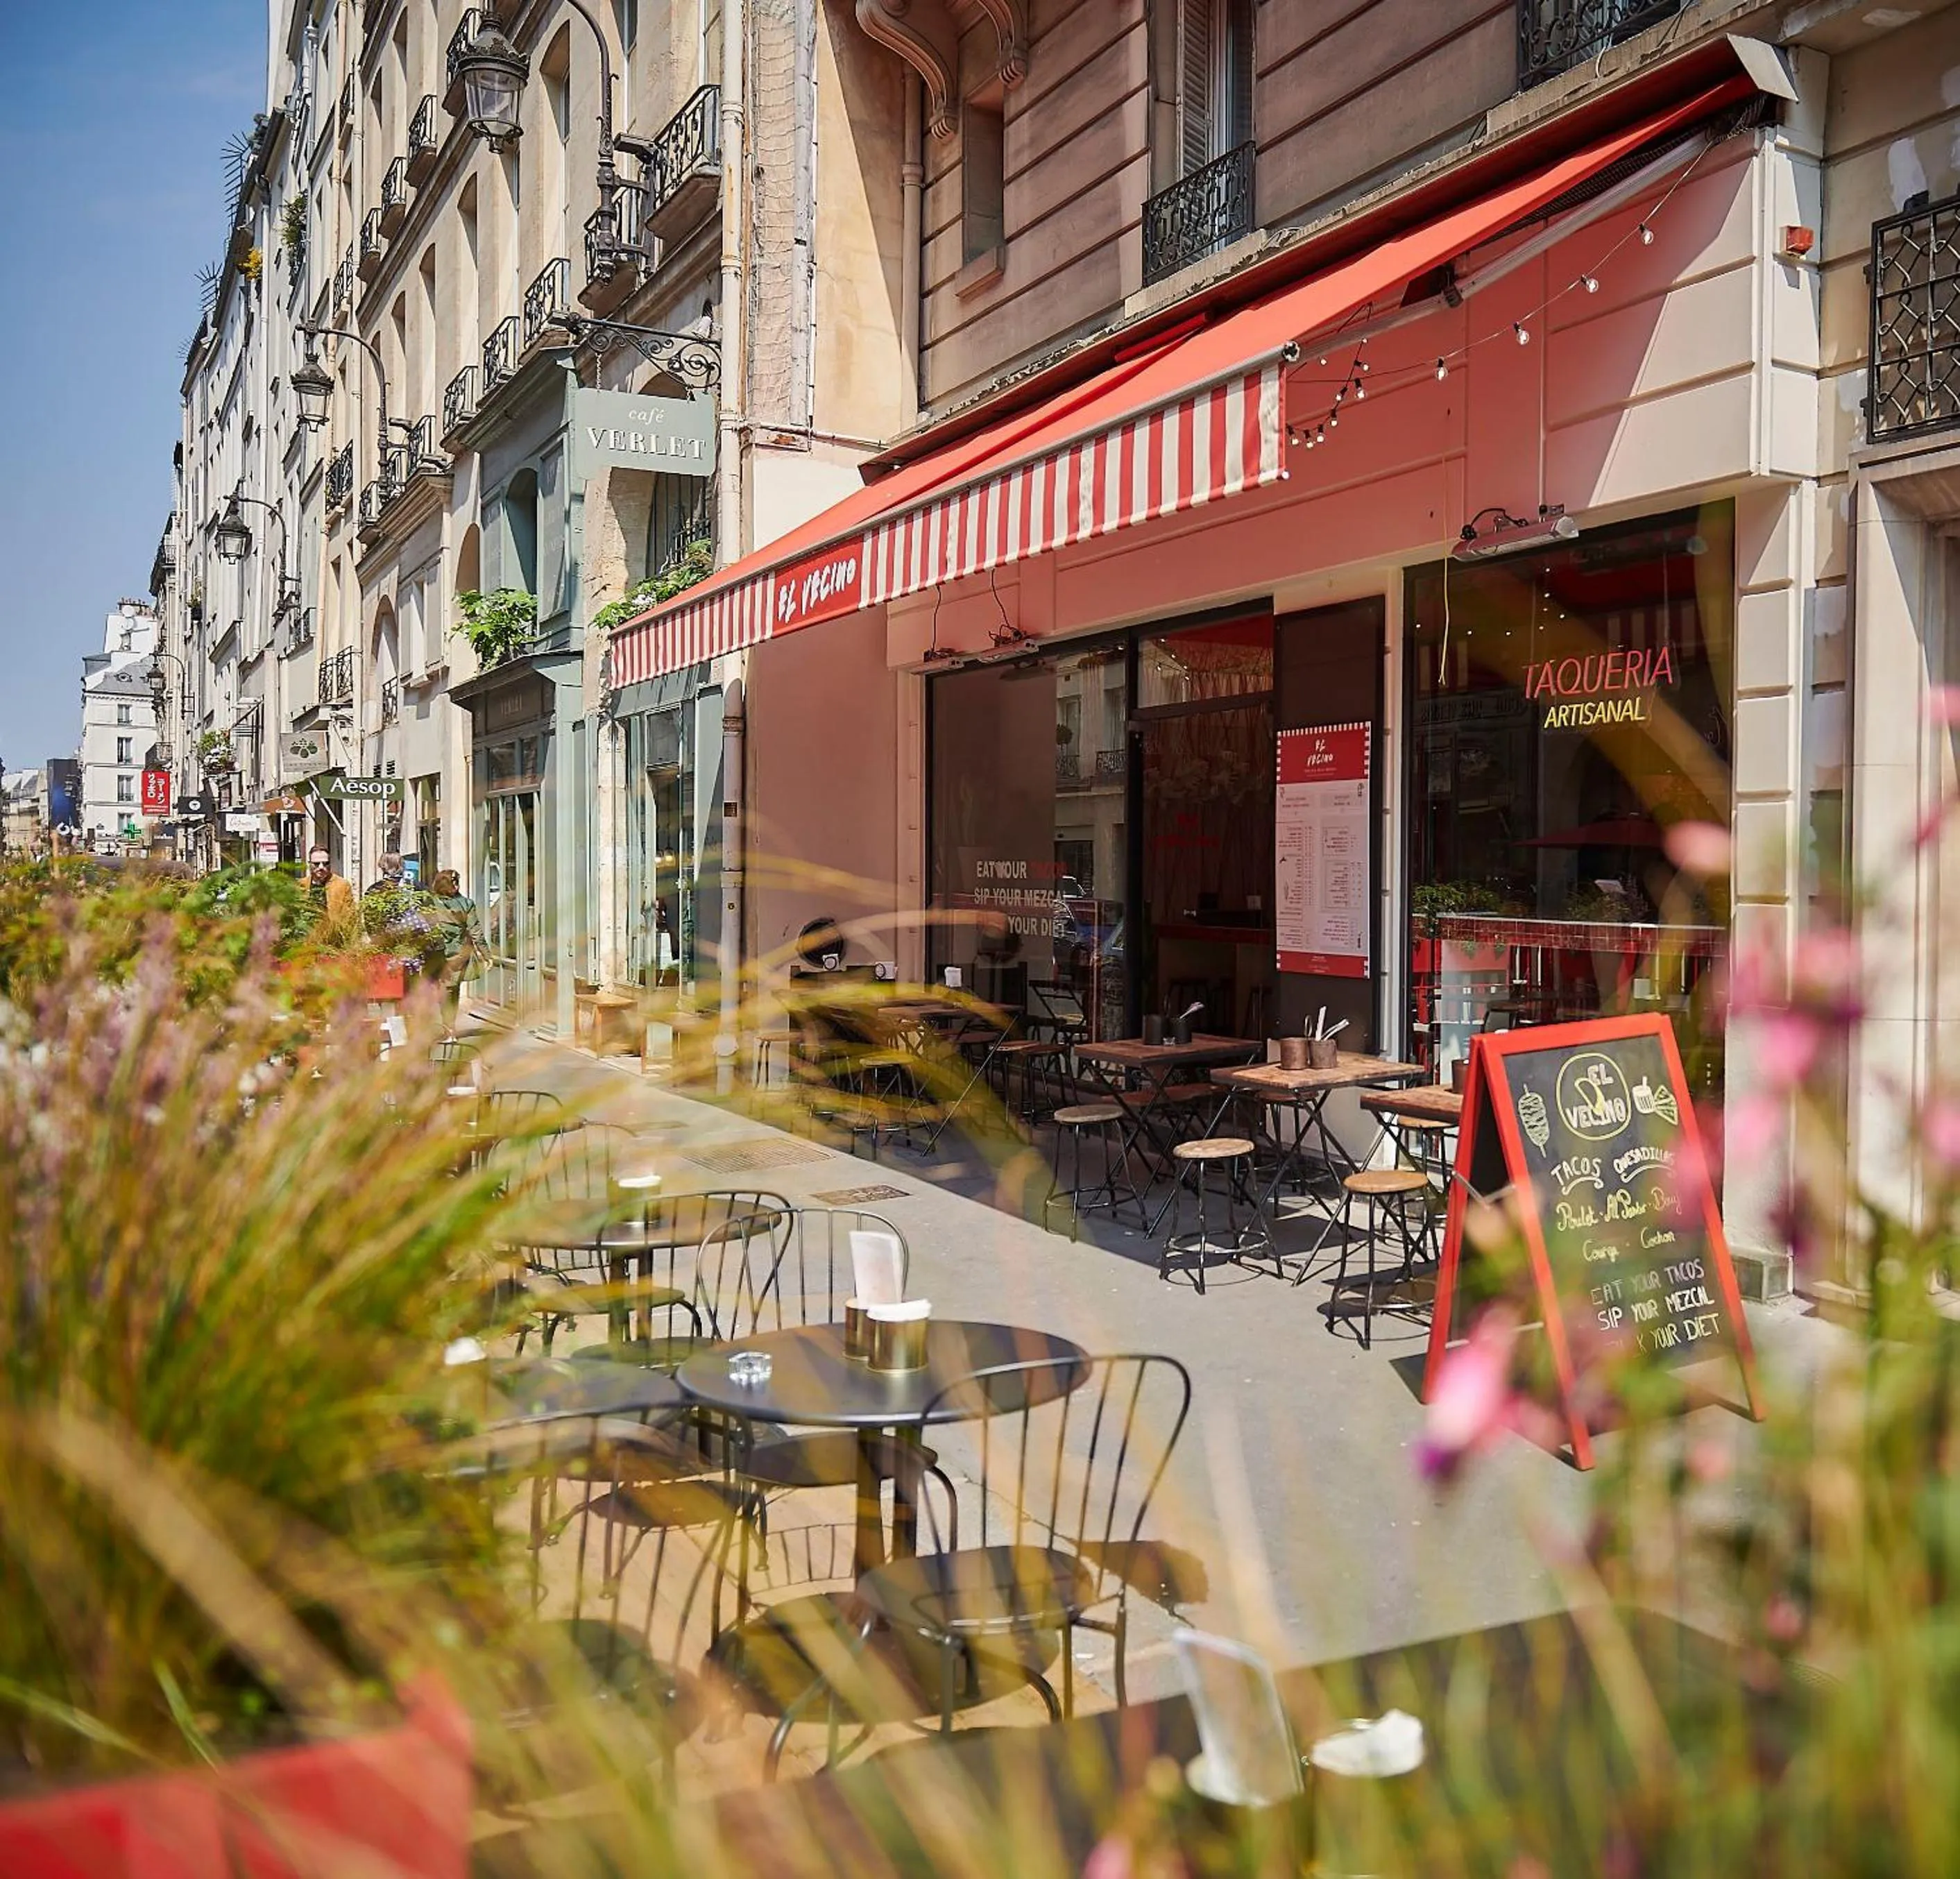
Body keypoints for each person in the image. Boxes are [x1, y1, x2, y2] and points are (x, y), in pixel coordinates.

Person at [428, 869, 485, 1007]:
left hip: (436, 953)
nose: (457, 886)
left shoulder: (429, 902)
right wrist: (486, 954)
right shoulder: (466, 904)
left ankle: (445, 1023)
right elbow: (476, 931)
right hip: (456, 955)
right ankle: (449, 1025)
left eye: (457, 882)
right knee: (452, 990)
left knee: (442, 988)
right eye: (454, 883)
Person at [305, 845, 355, 921]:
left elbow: (350, 916)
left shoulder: (342, 885)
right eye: (316, 864)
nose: (321, 867)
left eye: (325, 863)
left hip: (332, 931)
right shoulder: (300, 885)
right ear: (310, 864)